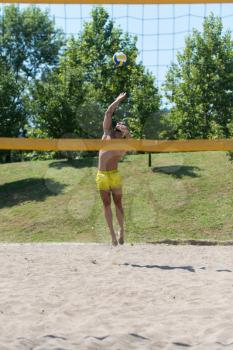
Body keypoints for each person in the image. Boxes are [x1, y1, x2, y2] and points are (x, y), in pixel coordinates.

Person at [96, 92, 131, 246]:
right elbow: (108, 112)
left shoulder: (123, 143)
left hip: (114, 175)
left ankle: (121, 231)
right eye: (118, 126)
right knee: (106, 204)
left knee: (118, 204)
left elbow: (128, 148)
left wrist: (127, 133)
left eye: (121, 128)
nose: (118, 128)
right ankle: (112, 235)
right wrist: (117, 100)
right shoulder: (106, 134)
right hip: (102, 175)